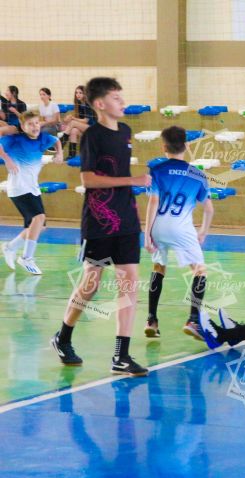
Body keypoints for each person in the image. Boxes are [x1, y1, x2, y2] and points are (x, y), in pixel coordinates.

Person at [51, 77, 151, 377]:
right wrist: (132, 181)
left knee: (129, 283)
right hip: (99, 220)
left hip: (127, 218)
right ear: (100, 104)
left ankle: (121, 355)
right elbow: (88, 179)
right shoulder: (92, 136)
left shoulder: (126, 131)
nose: (123, 102)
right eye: (116, 98)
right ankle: (63, 336)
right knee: (91, 283)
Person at [144, 126, 214, 340]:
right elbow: (209, 209)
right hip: (181, 228)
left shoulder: (156, 170)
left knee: (159, 267)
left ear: (164, 147)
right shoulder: (197, 174)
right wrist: (203, 231)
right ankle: (193, 320)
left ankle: (151, 320)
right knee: (200, 271)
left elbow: (153, 202)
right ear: (186, 146)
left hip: (158, 226)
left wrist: (147, 234)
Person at [0, 112, 63, 275]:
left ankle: (10, 247)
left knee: (40, 226)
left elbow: (56, 141)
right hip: (18, 188)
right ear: (22, 127)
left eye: (36, 123)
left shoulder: (43, 137)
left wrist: (60, 153)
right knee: (39, 218)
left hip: (32, 187)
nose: (34, 126)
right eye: (30, 124)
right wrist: (6, 158)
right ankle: (27, 257)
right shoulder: (15, 140)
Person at [61, 85, 96, 158]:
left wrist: (73, 118)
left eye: (80, 93)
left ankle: (61, 143)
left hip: (94, 129)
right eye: (76, 93)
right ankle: (71, 155)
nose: (78, 94)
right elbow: (79, 120)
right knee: (73, 131)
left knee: (73, 122)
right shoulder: (79, 104)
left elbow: (86, 121)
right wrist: (68, 119)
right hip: (86, 128)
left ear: (85, 94)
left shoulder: (88, 104)